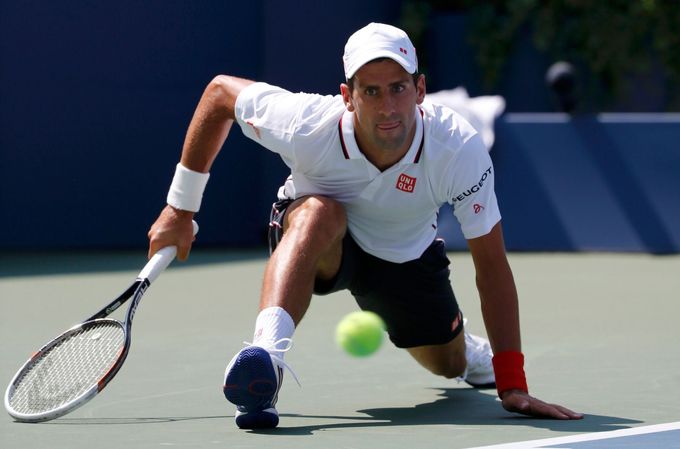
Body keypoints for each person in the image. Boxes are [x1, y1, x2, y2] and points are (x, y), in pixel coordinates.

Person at [148, 22, 583, 429]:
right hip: (318, 241)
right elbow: (220, 94)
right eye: (371, 92)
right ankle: (266, 358)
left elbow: (491, 265)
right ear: (347, 96)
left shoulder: (457, 147)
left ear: (420, 90)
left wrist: (512, 384)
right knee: (320, 211)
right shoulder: (306, 124)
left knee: (447, 363)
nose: (388, 107)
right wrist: (179, 209)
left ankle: (466, 353)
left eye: (398, 88)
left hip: (403, 256)